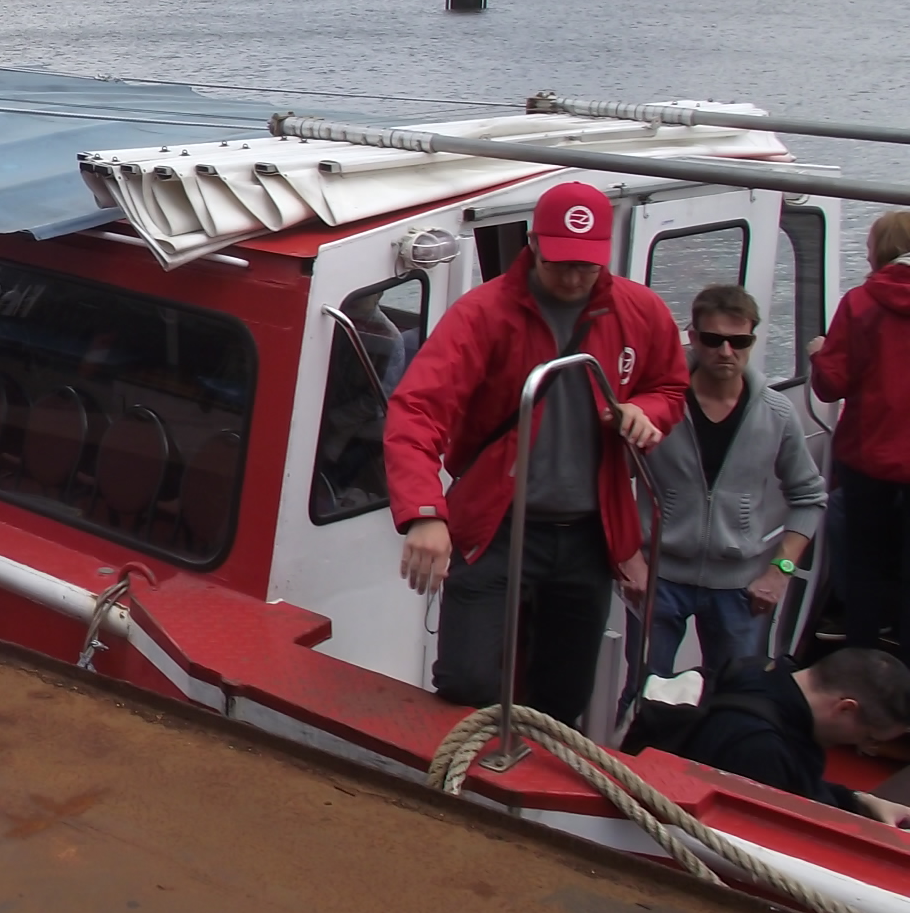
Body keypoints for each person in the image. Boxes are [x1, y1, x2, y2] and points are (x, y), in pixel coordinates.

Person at [385, 181, 688, 725]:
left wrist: (645, 411)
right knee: (467, 679)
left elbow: (669, 387)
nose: (574, 278)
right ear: (534, 244)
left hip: (588, 535)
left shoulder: (641, 311)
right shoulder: (482, 315)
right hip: (497, 525)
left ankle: (531, 792)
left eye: (587, 266)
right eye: (562, 263)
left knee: (564, 693)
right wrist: (425, 513)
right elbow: (417, 411)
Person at [633, 284, 825, 688]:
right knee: (643, 696)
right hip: (659, 581)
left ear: (752, 339)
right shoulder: (658, 406)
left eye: (739, 341)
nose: (725, 351)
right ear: (692, 336)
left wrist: (780, 571)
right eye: (713, 339)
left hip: (738, 589)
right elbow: (611, 479)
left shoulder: (777, 414)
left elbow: (809, 498)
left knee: (735, 697)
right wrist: (628, 560)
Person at [808, 210, 910, 663]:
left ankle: (865, 671)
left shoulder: (861, 303)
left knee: (865, 569)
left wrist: (817, 354)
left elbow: (831, 384)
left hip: (868, 458)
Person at [672, 650, 910, 828]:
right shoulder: (761, 749)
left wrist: (859, 800)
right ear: (845, 709)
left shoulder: (757, 672)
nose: (864, 749)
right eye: (870, 738)